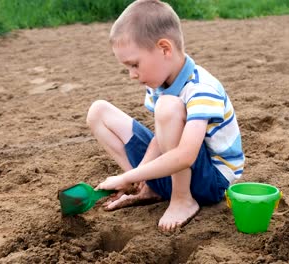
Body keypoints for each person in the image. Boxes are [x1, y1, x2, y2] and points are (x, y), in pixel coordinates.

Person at [87, 0, 244, 232]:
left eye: (134, 64)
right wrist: (137, 176)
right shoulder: (159, 81)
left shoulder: (201, 88)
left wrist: (127, 176)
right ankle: (148, 188)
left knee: (168, 107)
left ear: (164, 49)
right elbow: (161, 138)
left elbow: (185, 156)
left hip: (210, 182)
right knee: (98, 112)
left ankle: (182, 199)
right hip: (173, 169)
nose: (132, 75)